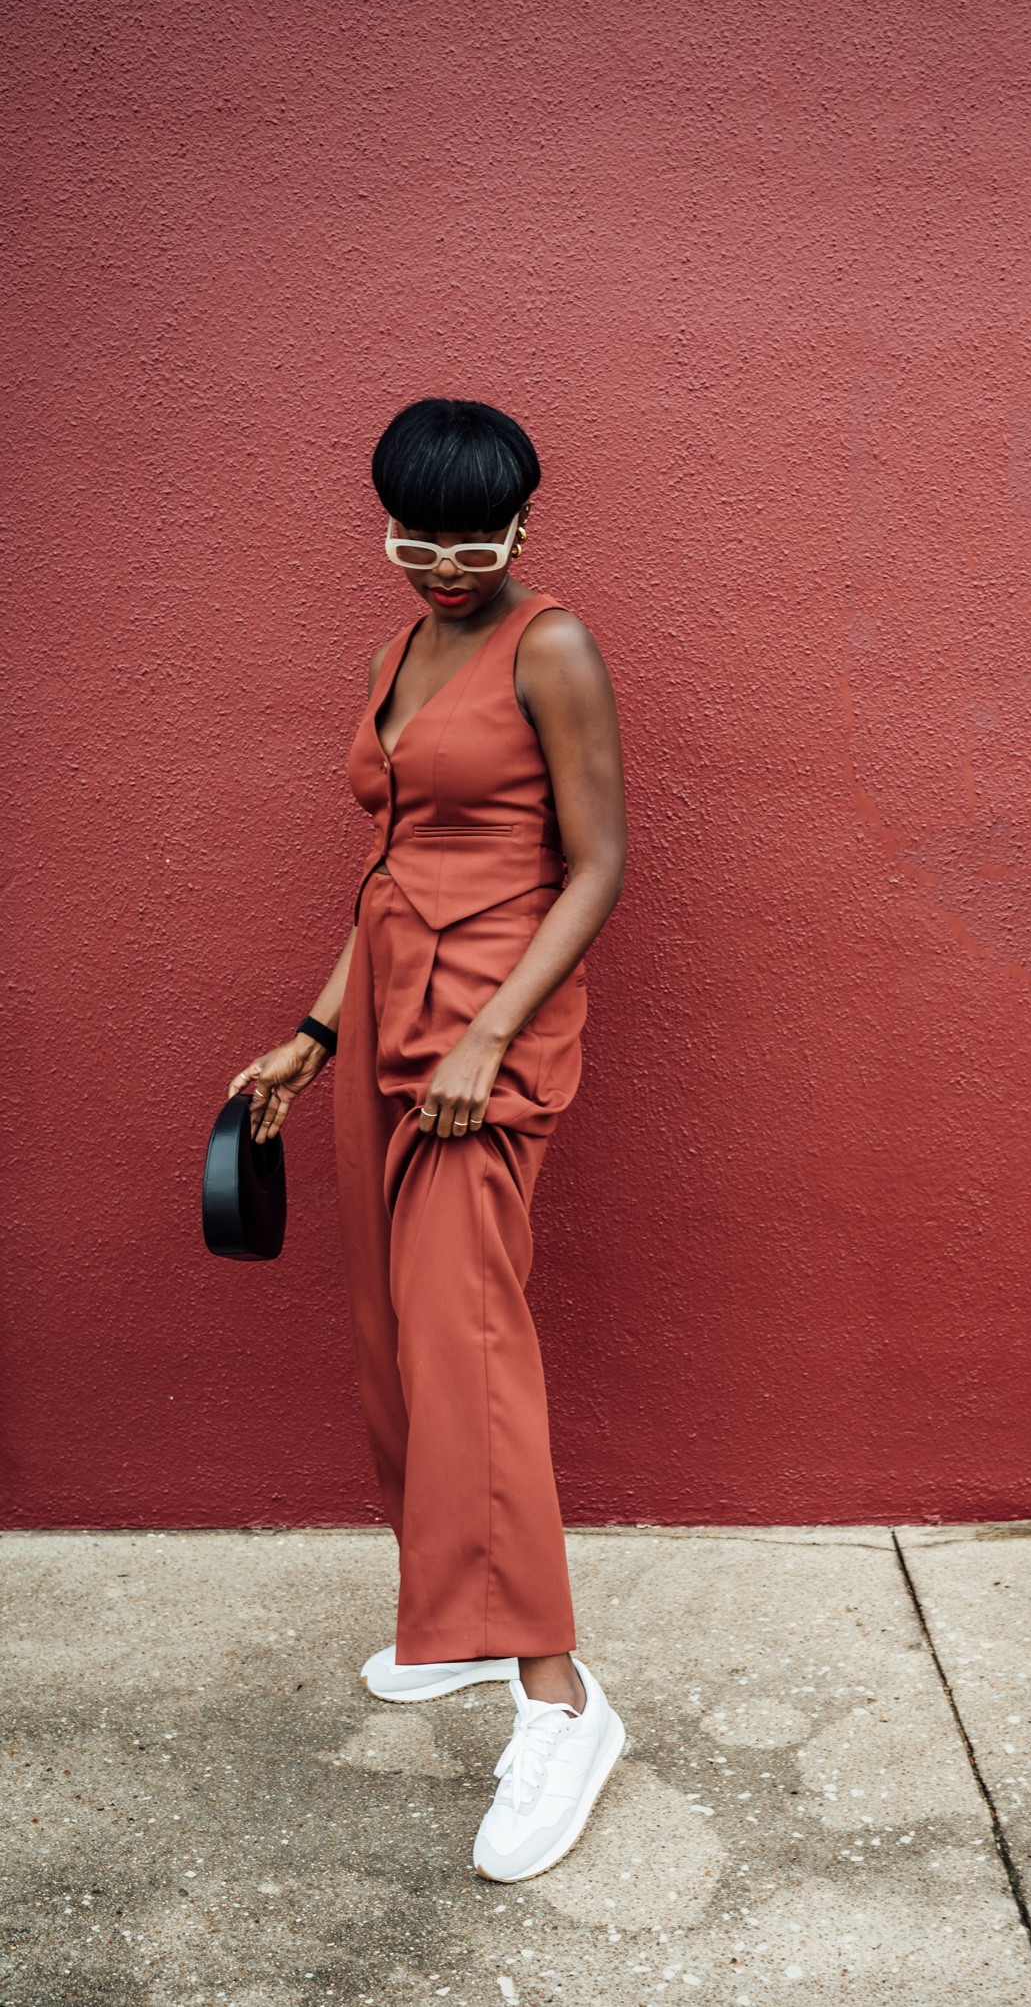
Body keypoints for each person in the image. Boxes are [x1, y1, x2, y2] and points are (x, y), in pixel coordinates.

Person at [227, 398, 628, 1882]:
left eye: (474, 538)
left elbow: (598, 868)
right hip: (386, 1014)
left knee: (468, 1346)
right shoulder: (402, 647)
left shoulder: (552, 645)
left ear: (526, 527)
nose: (444, 563)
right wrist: (319, 1027)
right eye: (415, 537)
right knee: (398, 1338)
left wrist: (484, 1037)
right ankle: (454, 1616)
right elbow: (391, 863)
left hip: (486, 1035)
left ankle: (558, 1696)